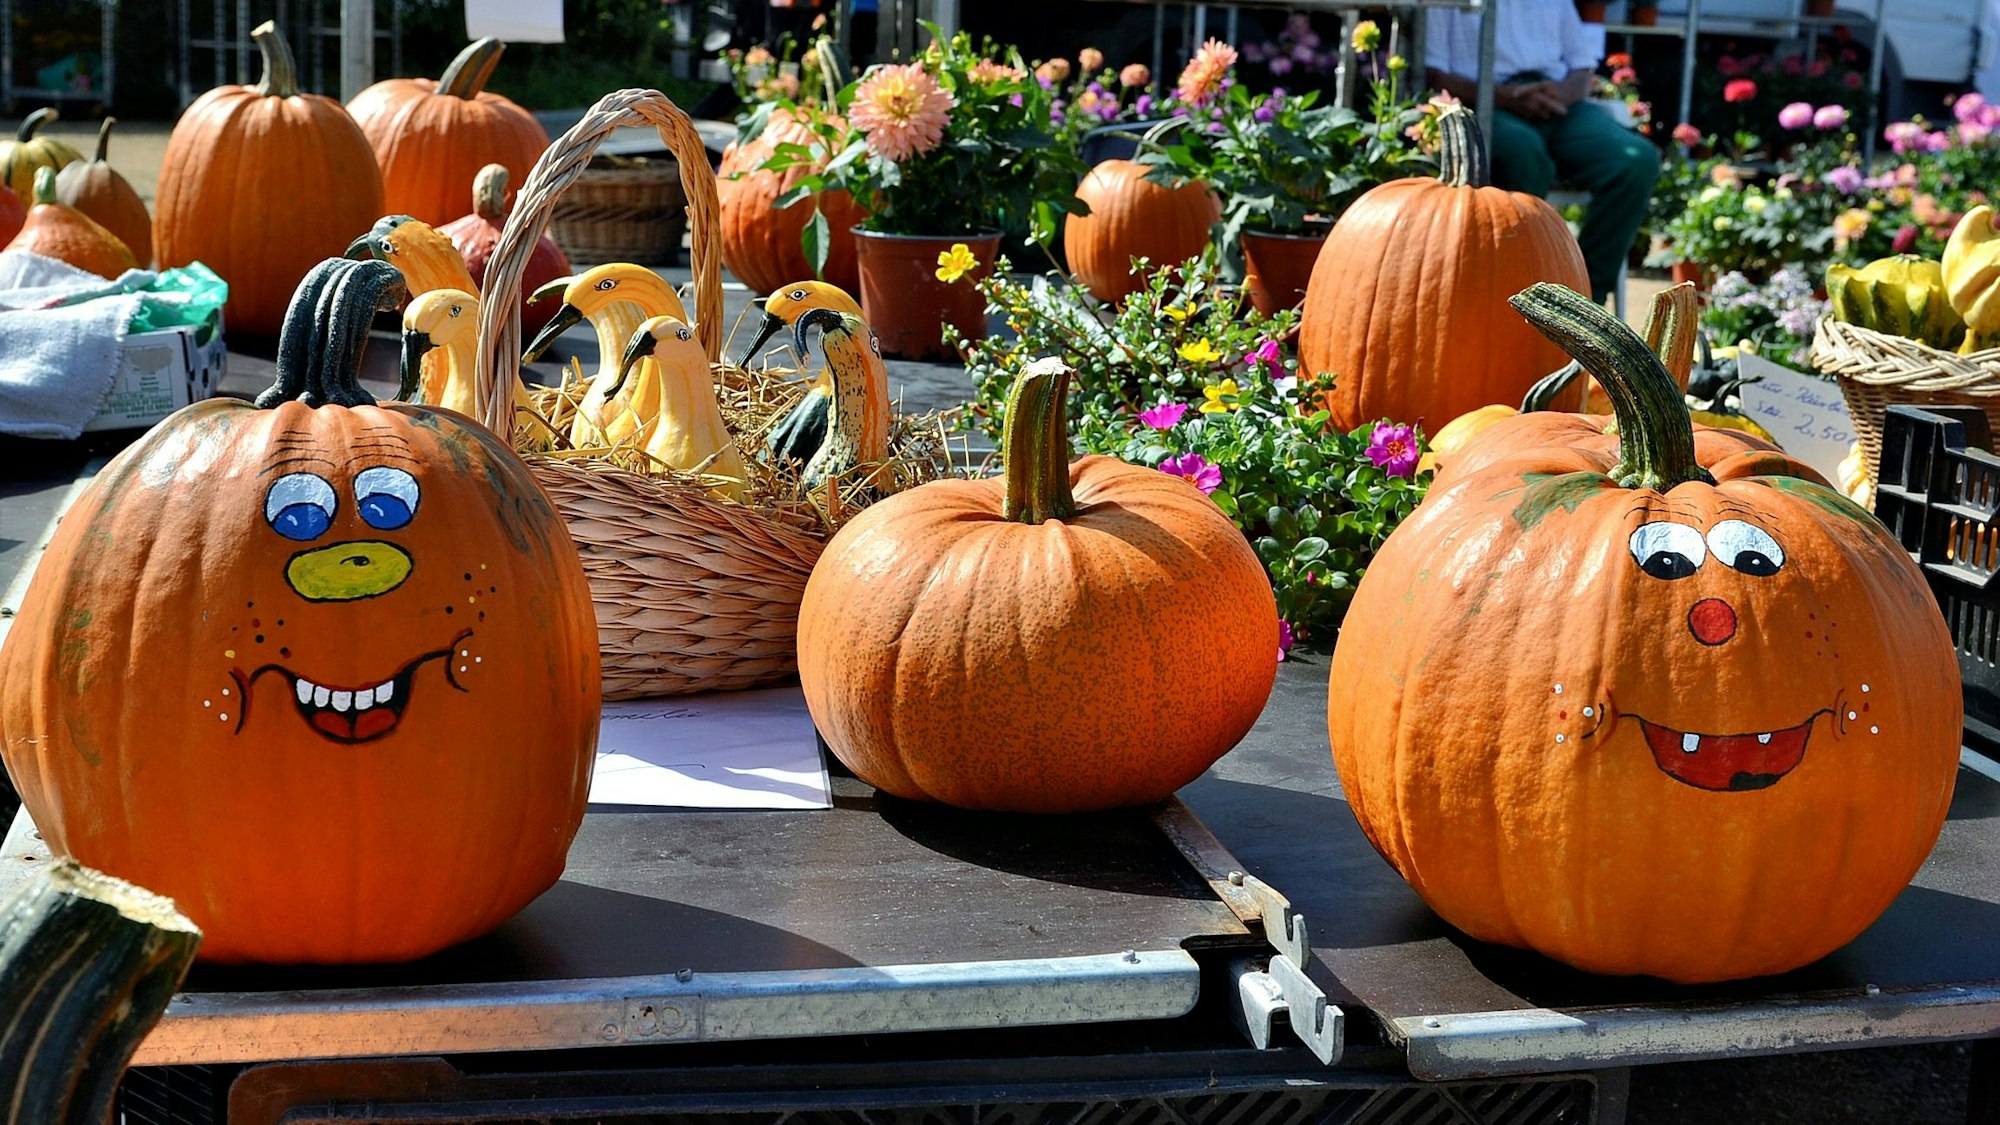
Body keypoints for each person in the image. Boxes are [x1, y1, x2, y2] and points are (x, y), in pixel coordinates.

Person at [1424, 2, 1658, 304]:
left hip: (1557, 102)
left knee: (1636, 160)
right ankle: (1520, 296)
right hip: (1485, 101)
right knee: (1525, 158)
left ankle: (1585, 299)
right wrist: (1507, 98)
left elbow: (1582, 67)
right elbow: (1434, 75)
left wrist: (1560, 93)